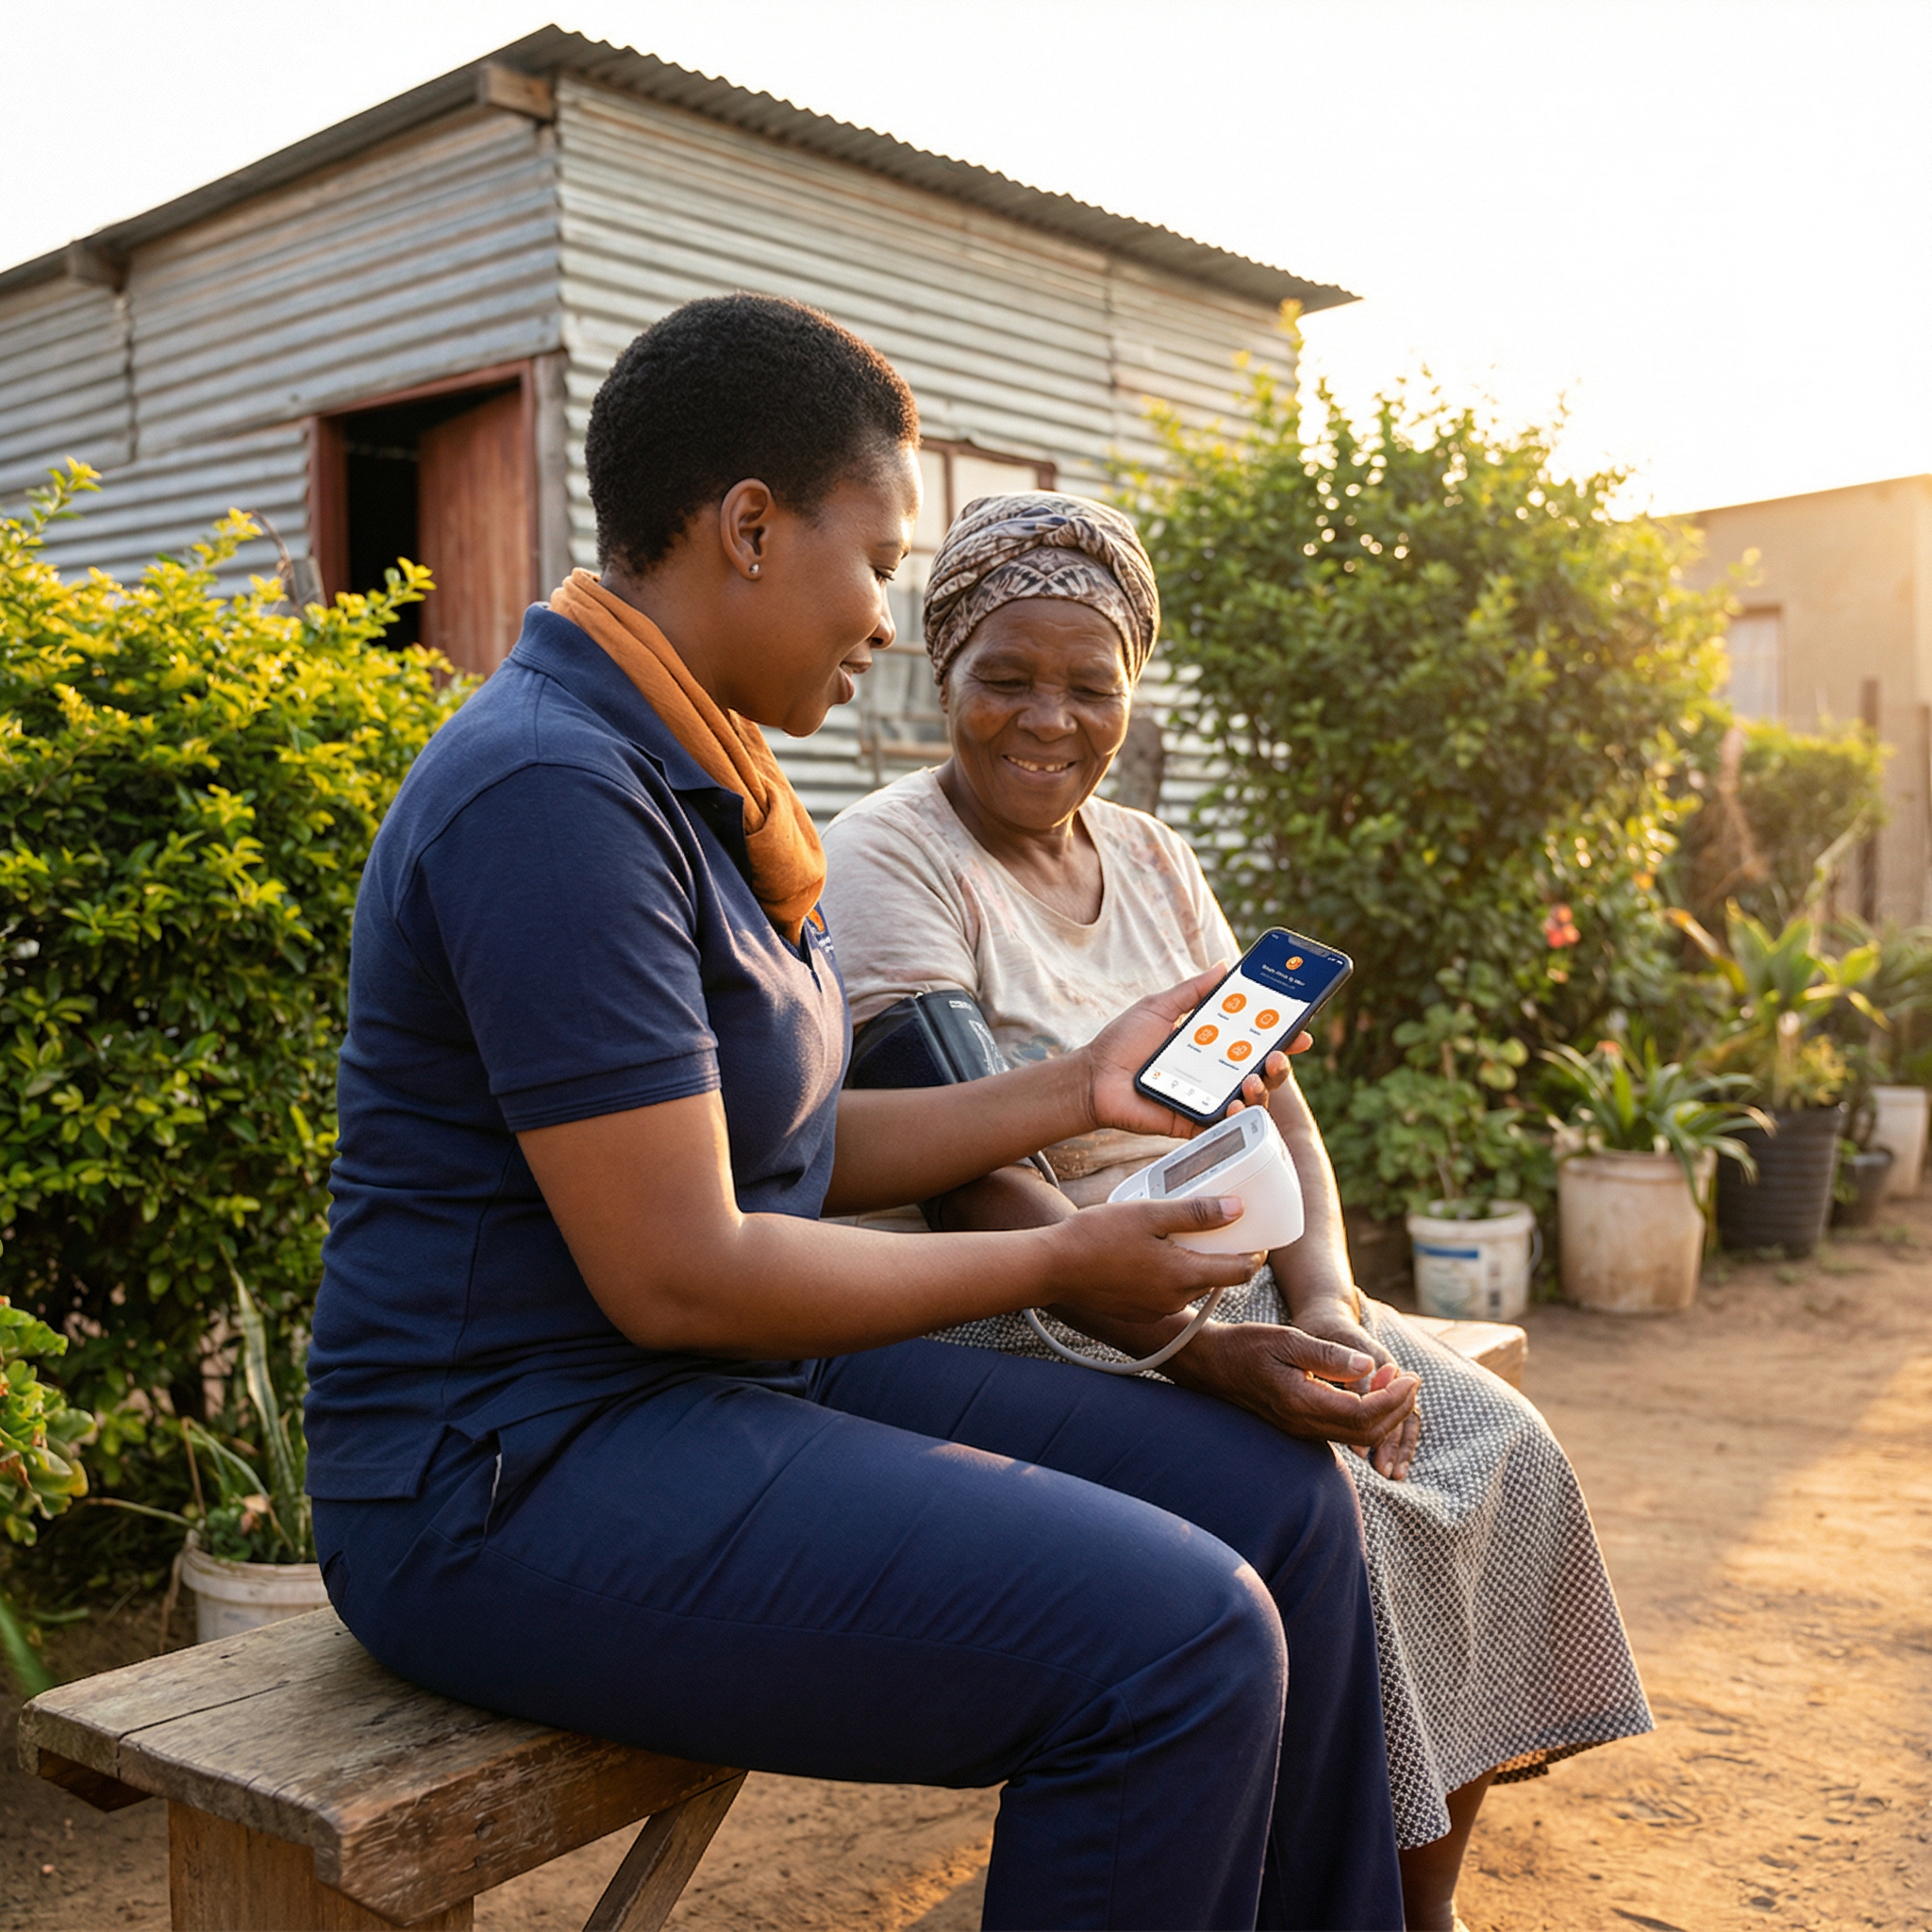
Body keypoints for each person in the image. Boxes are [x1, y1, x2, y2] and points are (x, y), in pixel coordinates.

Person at [306, 295, 1407, 1931]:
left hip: (715, 1388)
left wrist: (1076, 1085)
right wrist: (1064, 1260)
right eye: (881, 559)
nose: (888, 617)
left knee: (1286, 1511)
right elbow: (684, 1270)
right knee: (1178, 1642)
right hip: (506, 1472)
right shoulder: (554, 790)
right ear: (750, 527)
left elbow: (795, 1156)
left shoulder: (711, 780)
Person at [819, 491, 1656, 1932]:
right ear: (940, 675)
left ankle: (1413, 1907)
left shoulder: (1149, 856)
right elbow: (974, 1182)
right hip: (1022, 1305)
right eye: (1005, 677)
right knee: (1336, 1503)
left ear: (1132, 693)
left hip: (1229, 1281)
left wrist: (1325, 1301)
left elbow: (1273, 1103)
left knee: (1490, 1450)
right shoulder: (892, 853)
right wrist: (1196, 1353)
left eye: (1091, 686)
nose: (1047, 719)